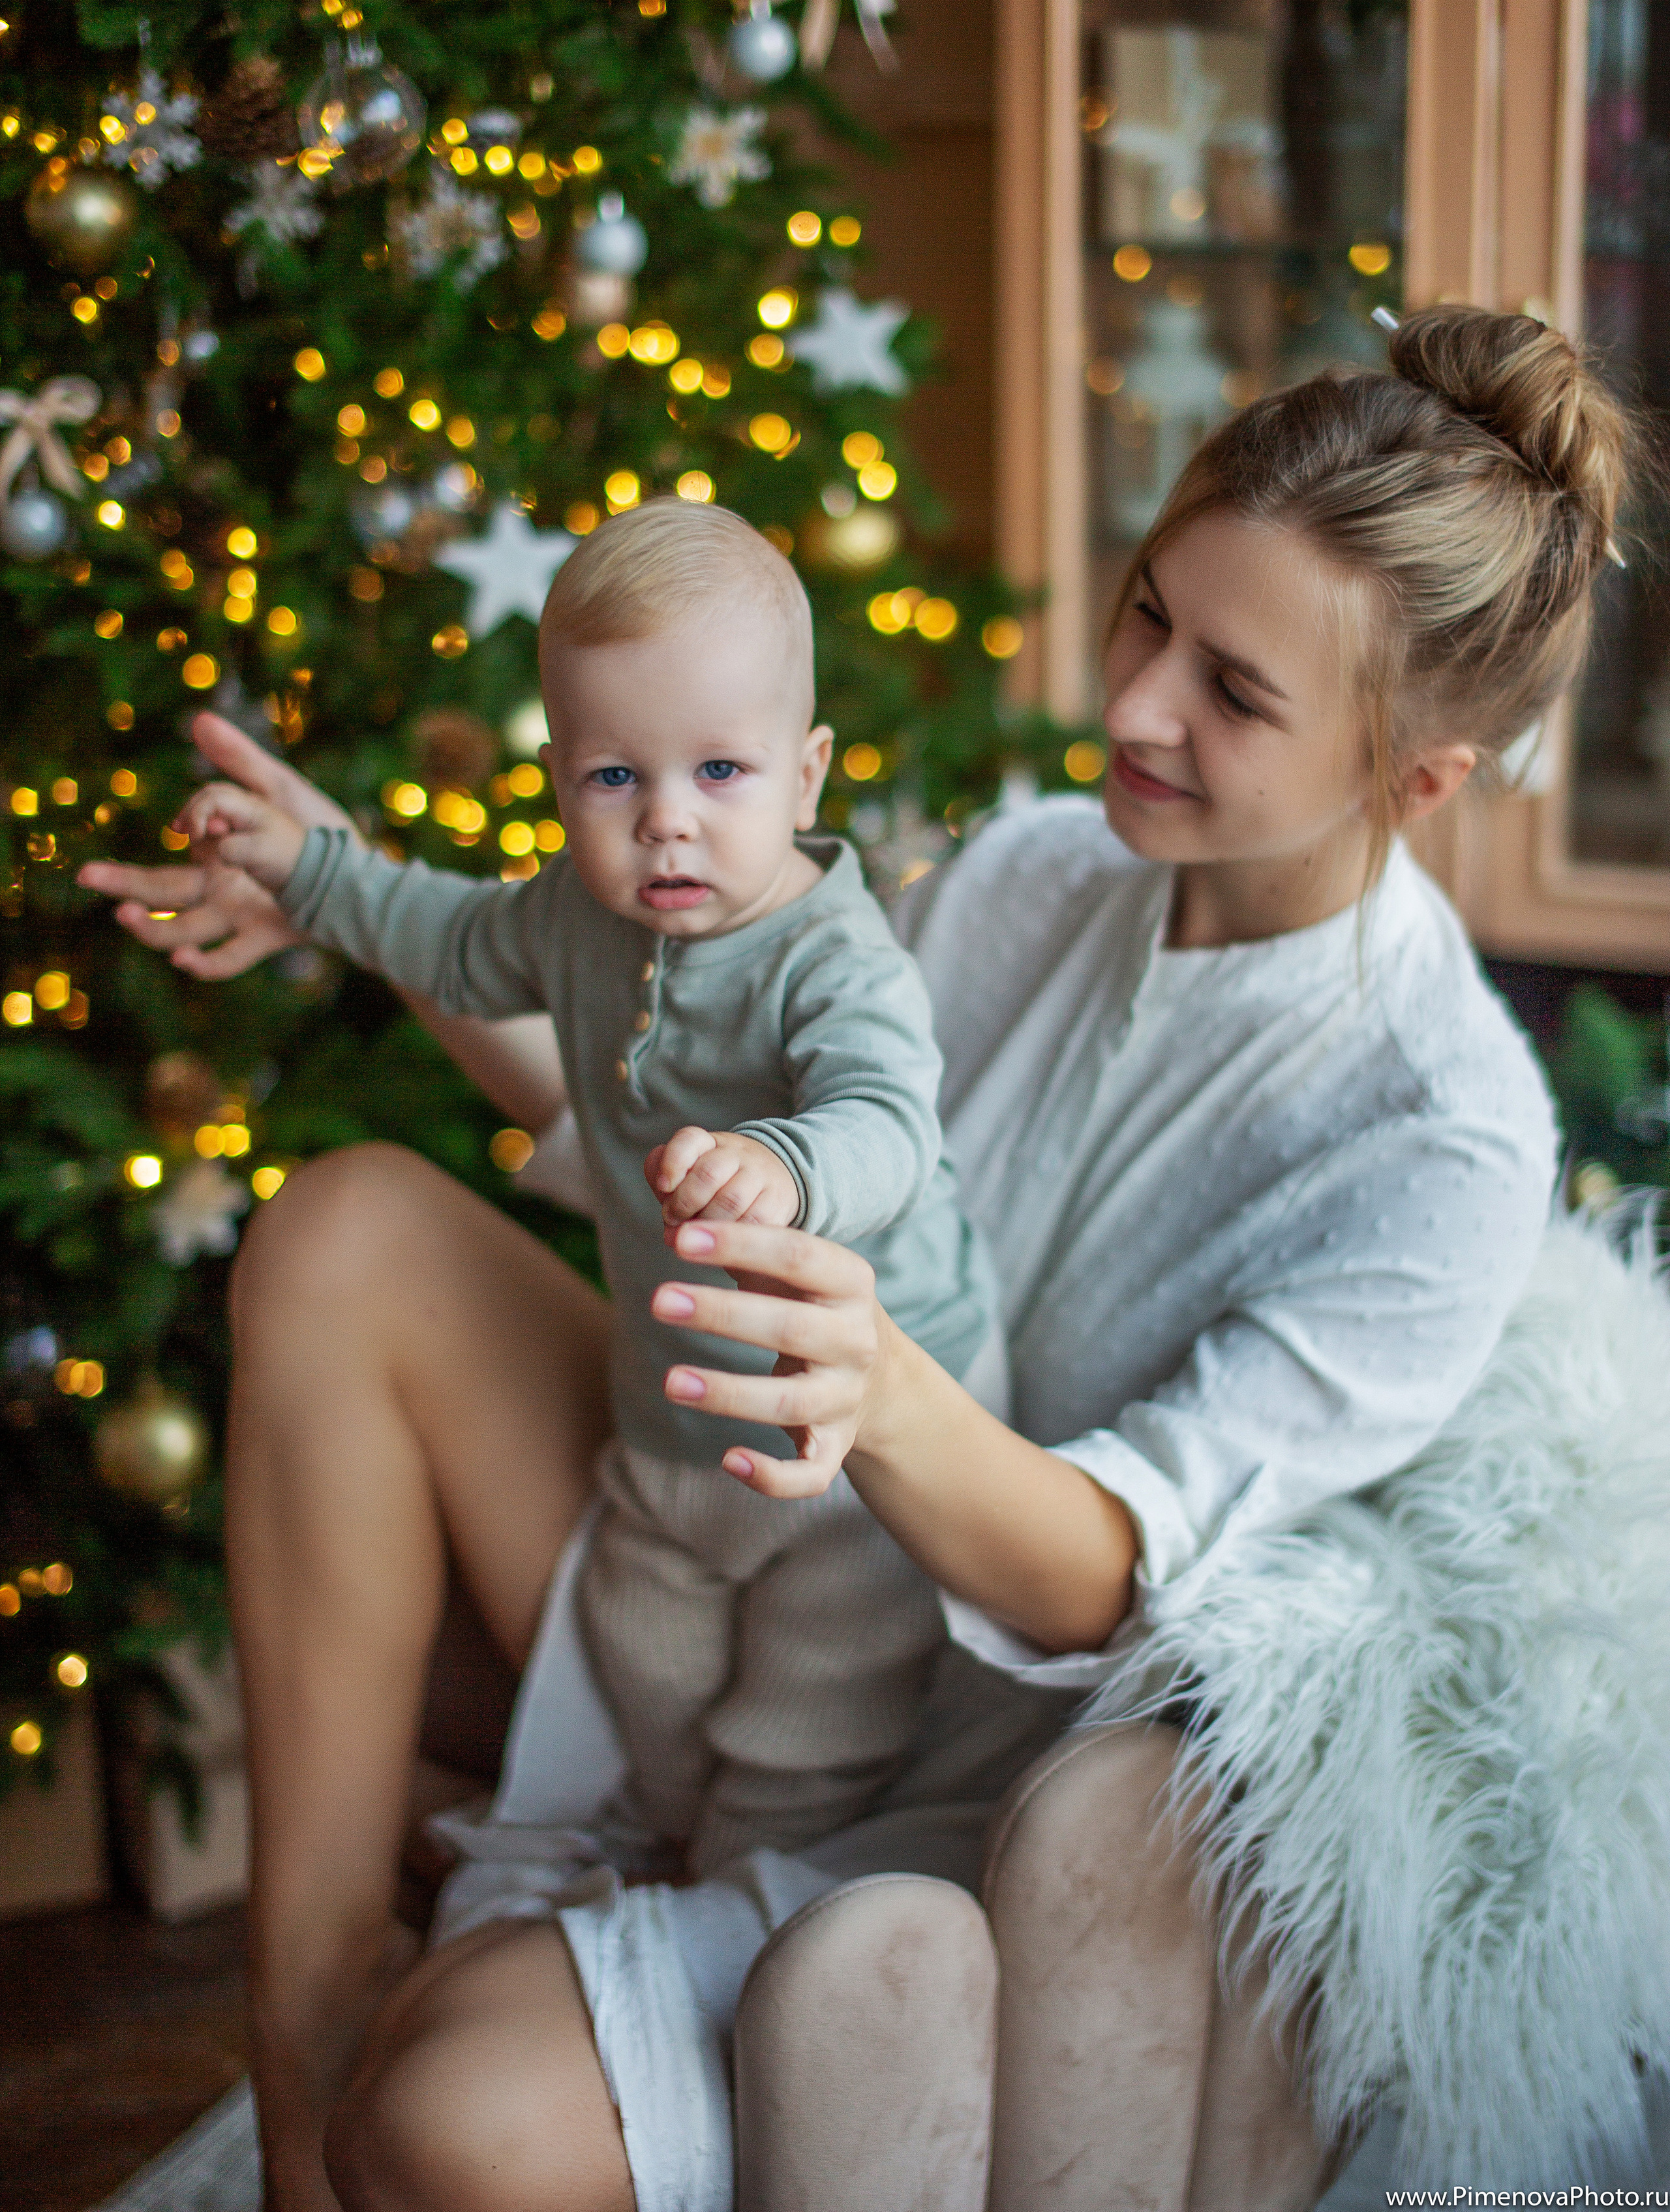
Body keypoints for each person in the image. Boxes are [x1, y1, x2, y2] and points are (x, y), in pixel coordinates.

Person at [80, 306, 1622, 2212]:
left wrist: (880, 1387)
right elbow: (665, 1097)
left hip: (948, 1782)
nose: (1135, 706)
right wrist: (346, 888)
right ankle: (300, 1994)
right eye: (1150, 617)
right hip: (707, 1517)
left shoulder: (1442, 1139)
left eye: (1236, 692)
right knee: (350, 1231)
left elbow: (1097, 1589)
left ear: (1422, 778)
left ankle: (513, 1974)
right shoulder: (1042, 869)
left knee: (451, 2126)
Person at [164, 500, 1001, 1882]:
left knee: (803, 1723)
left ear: (806, 776)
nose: (665, 825)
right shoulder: (572, 913)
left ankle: (747, 1901)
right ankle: (678, 1836)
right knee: (645, 1661)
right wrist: (302, 869)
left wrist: (788, 1164)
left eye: (718, 771)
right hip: (668, 1420)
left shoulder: (832, 961)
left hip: (848, 1454)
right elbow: (435, 928)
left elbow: (888, 1128)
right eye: (614, 779)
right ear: (558, 776)